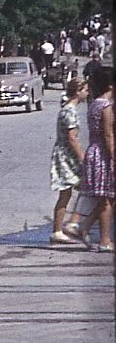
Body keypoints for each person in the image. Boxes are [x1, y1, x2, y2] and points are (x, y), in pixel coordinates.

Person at [66, 66, 114, 252]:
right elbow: (108, 135)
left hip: (94, 151)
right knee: (106, 199)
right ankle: (104, 241)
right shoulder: (106, 107)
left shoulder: (94, 103)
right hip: (103, 154)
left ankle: (85, 227)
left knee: (105, 198)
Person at [49, 78, 88, 244]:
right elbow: (72, 139)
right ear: (78, 91)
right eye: (85, 90)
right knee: (67, 192)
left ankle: (72, 223)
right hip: (66, 156)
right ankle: (63, 228)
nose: (87, 93)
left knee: (73, 191)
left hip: (65, 155)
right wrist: (83, 158)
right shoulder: (70, 111)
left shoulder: (68, 110)